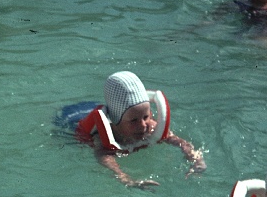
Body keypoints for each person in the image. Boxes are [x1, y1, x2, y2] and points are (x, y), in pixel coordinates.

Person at [74, 71, 206, 189]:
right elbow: (104, 158)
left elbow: (180, 142)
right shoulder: (104, 136)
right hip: (71, 121)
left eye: (146, 116)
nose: (143, 125)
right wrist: (126, 179)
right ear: (115, 121)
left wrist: (195, 159)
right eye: (133, 120)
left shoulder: (151, 127)